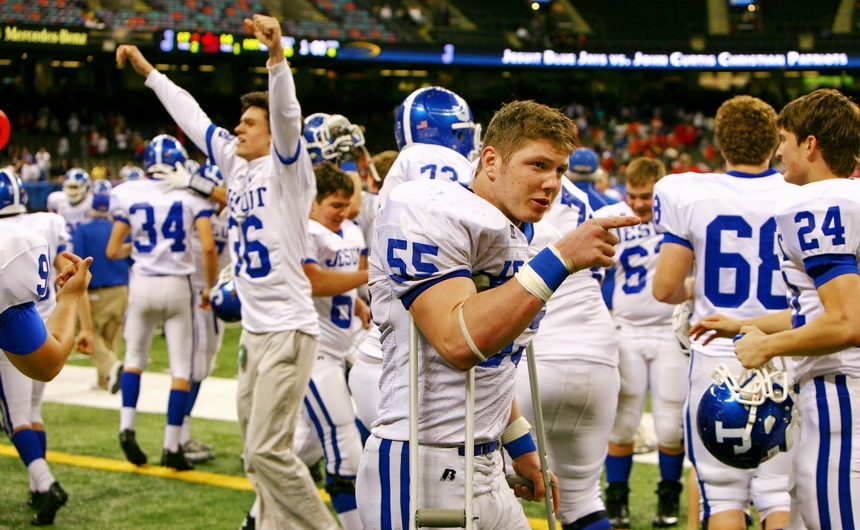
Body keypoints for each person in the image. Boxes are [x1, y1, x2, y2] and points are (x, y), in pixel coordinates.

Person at [356, 99, 640, 529]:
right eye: (538, 165)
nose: (551, 183)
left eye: (559, 170)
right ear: (491, 159)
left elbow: (493, 366)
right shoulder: (429, 209)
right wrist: (559, 258)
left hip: (487, 465)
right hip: (422, 463)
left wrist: (521, 444)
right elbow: (457, 341)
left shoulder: (522, 233)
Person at [116, 14, 341, 529]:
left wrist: (277, 57)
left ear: (271, 135)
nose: (238, 129)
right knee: (253, 455)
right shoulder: (236, 162)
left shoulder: (288, 166)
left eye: (249, 124)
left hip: (288, 327)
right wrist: (148, 70)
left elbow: (286, 115)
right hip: (255, 332)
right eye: (238, 124)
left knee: (267, 452)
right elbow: (191, 115)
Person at [690, 88, 860, 530]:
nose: (779, 149)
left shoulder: (821, 203)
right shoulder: (849, 198)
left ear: (810, 143)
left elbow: (848, 322)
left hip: (842, 394)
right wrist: (747, 325)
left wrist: (768, 348)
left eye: (785, 138)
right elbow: (822, 310)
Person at [651, 95, 792, 530]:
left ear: (720, 144)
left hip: (717, 356)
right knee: (779, 493)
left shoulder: (689, 192)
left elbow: (666, 289)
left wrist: (700, 285)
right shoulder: (803, 193)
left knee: (723, 494)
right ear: (774, 143)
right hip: (787, 349)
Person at [513, 160, 620, 530]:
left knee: (481, 488)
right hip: (599, 357)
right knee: (583, 499)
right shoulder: (590, 200)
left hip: (535, 358)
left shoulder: (509, 193)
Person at [106, 134, 218, 471]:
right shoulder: (189, 195)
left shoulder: (128, 192)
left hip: (141, 284)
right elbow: (208, 247)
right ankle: (171, 446)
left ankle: (127, 427)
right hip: (177, 284)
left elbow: (113, 250)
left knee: (133, 359)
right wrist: (210, 288)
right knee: (181, 369)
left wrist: (139, 249)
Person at [593, 157, 687, 528]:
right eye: (633, 195)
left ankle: (669, 495)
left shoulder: (676, 214)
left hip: (669, 331)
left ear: (659, 190)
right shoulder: (612, 215)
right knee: (622, 422)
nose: (638, 204)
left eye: (645, 196)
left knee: (669, 425)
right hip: (628, 330)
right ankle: (617, 500)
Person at [0, 168, 91, 525]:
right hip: (38, 329)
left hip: (27, 335)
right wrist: (71, 302)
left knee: (21, 416)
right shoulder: (27, 236)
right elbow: (47, 362)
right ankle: (42, 483)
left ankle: (42, 485)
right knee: (29, 413)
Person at [294, 161, 370, 530]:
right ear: (311, 202)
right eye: (334, 204)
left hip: (339, 349)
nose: (343, 212)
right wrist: (371, 275)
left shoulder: (350, 232)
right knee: (346, 451)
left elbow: (339, 284)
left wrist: (357, 302)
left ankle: (257, 519)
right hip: (312, 350)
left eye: (345, 204)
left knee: (298, 451)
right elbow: (314, 282)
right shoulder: (304, 230)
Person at [72, 179, 129, 391]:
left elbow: (77, 261)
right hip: (122, 289)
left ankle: (111, 367)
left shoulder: (83, 230)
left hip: (97, 290)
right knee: (112, 334)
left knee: (88, 332)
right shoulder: (120, 228)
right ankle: (105, 381)